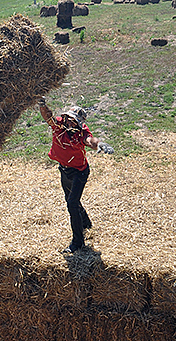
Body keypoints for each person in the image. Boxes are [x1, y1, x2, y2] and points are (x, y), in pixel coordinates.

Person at [38, 99, 114, 254]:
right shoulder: (59, 125)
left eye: (74, 121)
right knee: (71, 200)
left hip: (79, 172)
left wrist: (99, 144)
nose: (69, 123)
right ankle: (85, 223)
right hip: (64, 170)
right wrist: (42, 105)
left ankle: (78, 242)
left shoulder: (81, 133)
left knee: (72, 203)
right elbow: (48, 118)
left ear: (78, 123)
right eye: (69, 119)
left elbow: (89, 140)